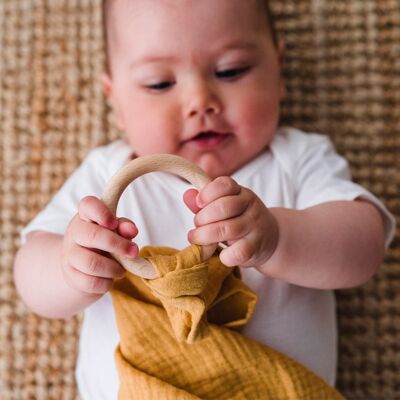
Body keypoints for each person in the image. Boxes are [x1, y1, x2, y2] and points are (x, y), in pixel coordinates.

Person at [14, 0, 395, 398]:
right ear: (116, 101)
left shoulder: (297, 159)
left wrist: (279, 237)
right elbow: (28, 273)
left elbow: (364, 246)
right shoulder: (105, 176)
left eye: (231, 71)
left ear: (278, 70)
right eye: (159, 83)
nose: (200, 100)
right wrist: (69, 266)